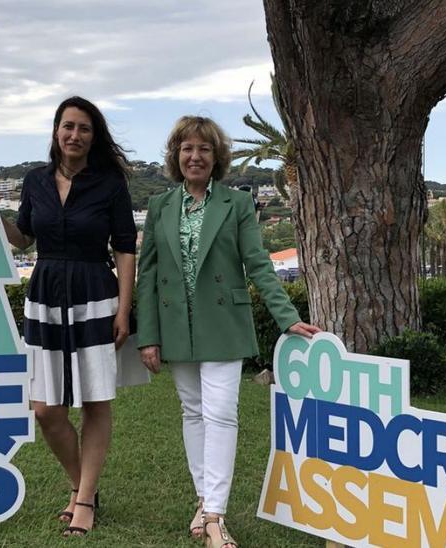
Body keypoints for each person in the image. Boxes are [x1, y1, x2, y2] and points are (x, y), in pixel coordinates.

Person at [136, 116, 320, 548]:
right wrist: (149, 335)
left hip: (223, 322)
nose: (195, 156)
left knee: (221, 414)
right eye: (187, 149)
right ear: (175, 156)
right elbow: (148, 275)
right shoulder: (161, 205)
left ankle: (215, 515)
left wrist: (286, 316)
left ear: (217, 157)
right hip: (176, 325)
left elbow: (257, 263)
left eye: (203, 149)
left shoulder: (236, 204)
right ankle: (203, 501)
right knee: (193, 413)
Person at [0, 96, 141, 538]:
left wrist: (124, 308)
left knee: (95, 400)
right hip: (45, 296)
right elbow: (24, 239)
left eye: (84, 128)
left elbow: (125, 247)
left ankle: (84, 500)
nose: (74, 135)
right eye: (68, 126)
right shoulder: (35, 181)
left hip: (94, 295)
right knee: (46, 409)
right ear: (55, 131)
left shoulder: (109, 185)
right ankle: (80, 484)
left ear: (93, 135)